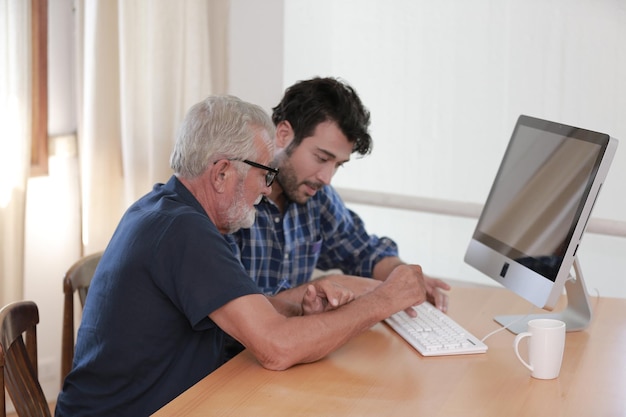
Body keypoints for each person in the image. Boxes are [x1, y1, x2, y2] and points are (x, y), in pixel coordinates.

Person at [55, 95, 429, 417]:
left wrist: (295, 304)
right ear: (221, 173)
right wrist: (386, 298)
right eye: (265, 175)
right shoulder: (184, 231)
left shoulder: (166, 209)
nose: (268, 191)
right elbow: (277, 348)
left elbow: (236, 312)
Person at [225, 78, 451, 357]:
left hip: (293, 361)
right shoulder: (230, 201)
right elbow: (244, 315)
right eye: (321, 158)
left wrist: (403, 278)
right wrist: (347, 287)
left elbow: (362, 251)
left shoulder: (314, 194)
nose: (327, 178)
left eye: (337, 165)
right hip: (236, 366)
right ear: (283, 134)